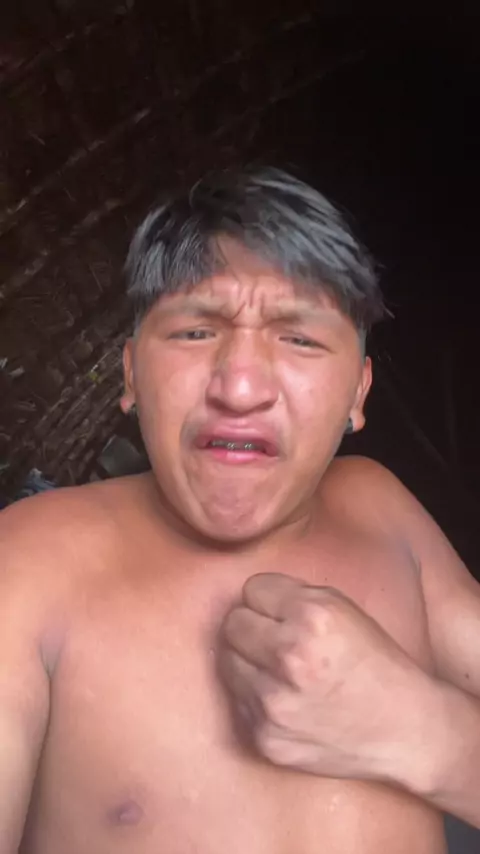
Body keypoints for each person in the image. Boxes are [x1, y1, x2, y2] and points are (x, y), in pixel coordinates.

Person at [1, 167, 480, 854]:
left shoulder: (377, 505)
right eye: (196, 332)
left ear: (357, 392)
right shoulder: (31, 557)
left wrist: (420, 730)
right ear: (130, 375)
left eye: (300, 338)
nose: (242, 387)